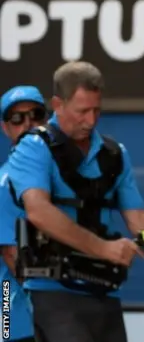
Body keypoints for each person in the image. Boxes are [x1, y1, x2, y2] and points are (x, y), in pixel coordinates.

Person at [6, 61, 144, 342]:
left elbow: (139, 220)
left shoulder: (114, 153)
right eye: (82, 111)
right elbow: (39, 211)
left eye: (97, 110)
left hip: (105, 294)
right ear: (58, 104)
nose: (91, 120)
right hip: (54, 295)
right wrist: (103, 248)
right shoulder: (32, 148)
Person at [0, 85, 48, 342]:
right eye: (17, 119)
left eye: (36, 114)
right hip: (11, 299)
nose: (28, 124)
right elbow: (11, 254)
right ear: (5, 128)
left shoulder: (56, 175)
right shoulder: (3, 182)